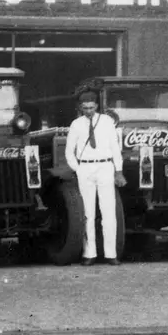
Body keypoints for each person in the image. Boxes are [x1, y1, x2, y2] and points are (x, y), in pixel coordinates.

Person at [64, 90, 124, 265]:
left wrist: (118, 170)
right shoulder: (76, 124)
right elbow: (69, 151)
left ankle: (111, 254)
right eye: (85, 108)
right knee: (87, 213)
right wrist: (79, 168)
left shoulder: (106, 122)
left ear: (96, 106)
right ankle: (89, 253)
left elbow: (115, 147)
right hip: (86, 168)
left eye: (91, 107)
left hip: (105, 166)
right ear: (80, 108)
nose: (88, 111)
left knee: (109, 211)